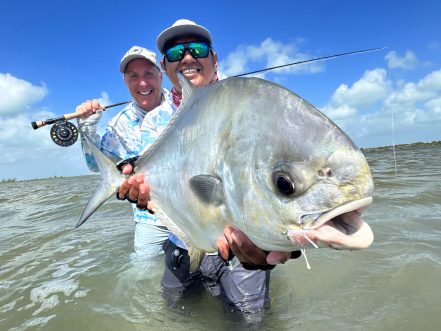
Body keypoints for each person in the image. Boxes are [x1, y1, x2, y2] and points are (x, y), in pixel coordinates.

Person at [117, 19, 301, 319]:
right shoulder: (154, 120)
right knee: (173, 312)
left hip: (242, 243)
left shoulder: (244, 100)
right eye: (176, 53)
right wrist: (139, 190)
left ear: (214, 59)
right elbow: (155, 180)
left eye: (198, 49)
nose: (187, 58)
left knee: (250, 319)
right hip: (181, 238)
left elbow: (278, 171)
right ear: (165, 67)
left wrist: (287, 237)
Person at [76, 46, 174, 259]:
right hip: (150, 218)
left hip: (194, 211)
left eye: (149, 73)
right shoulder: (119, 123)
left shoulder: (183, 105)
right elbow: (96, 165)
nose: (143, 82)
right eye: (134, 76)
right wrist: (87, 129)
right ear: (125, 82)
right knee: (142, 276)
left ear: (161, 74)